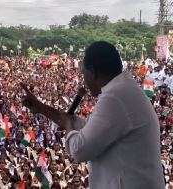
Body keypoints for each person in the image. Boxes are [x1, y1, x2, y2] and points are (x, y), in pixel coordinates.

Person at [20, 41, 165, 189]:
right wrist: (41, 108)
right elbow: (86, 127)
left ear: (93, 72)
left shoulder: (115, 97)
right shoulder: (124, 90)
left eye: (83, 73)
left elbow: (80, 150)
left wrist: (69, 125)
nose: (84, 81)